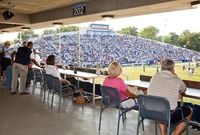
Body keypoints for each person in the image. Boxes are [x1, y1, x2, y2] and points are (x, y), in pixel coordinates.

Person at [148, 59, 193, 135]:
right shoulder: (176, 79)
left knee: (161, 107)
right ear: (172, 67)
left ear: (161, 67)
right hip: (168, 114)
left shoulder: (154, 77)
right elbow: (183, 89)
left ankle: (163, 133)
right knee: (189, 110)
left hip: (152, 112)